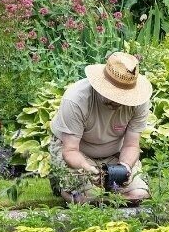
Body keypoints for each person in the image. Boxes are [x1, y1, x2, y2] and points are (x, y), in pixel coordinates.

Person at [49, 51, 152, 203]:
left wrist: (125, 167)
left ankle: (104, 197)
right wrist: (87, 168)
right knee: (83, 198)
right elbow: (70, 150)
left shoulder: (139, 102)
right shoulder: (76, 99)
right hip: (78, 155)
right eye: (114, 94)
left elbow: (131, 145)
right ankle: (62, 183)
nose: (118, 101)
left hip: (114, 154)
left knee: (139, 194)